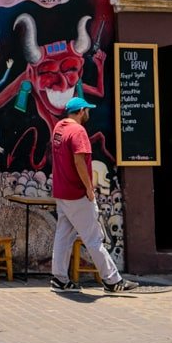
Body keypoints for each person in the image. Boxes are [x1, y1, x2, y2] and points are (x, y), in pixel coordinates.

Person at [50, 95, 139, 293]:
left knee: (63, 235)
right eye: (87, 110)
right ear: (81, 112)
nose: (88, 113)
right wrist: (89, 189)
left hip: (61, 192)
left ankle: (59, 278)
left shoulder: (59, 128)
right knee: (93, 238)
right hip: (77, 194)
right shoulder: (78, 131)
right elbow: (79, 161)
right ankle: (112, 280)